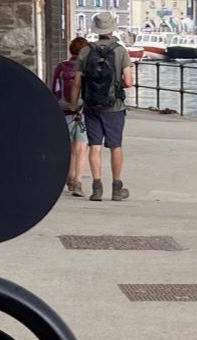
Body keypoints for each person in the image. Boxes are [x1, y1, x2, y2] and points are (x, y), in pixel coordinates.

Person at [73, 11, 133, 202]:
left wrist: (75, 104)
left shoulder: (85, 51)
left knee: (95, 146)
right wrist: (115, 85)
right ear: (111, 28)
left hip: (91, 105)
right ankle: (116, 187)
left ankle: (97, 188)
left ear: (96, 30)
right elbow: (129, 82)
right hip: (114, 106)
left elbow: (76, 83)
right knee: (115, 146)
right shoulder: (120, 51)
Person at [50, 36, 91, 197]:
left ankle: (69, 177)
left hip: (64, 111)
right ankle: (78, 181)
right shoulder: (87, 69)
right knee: (81, 147)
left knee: (68, 148)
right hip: (82, 112)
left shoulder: (61, 67)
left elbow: (54, 89)